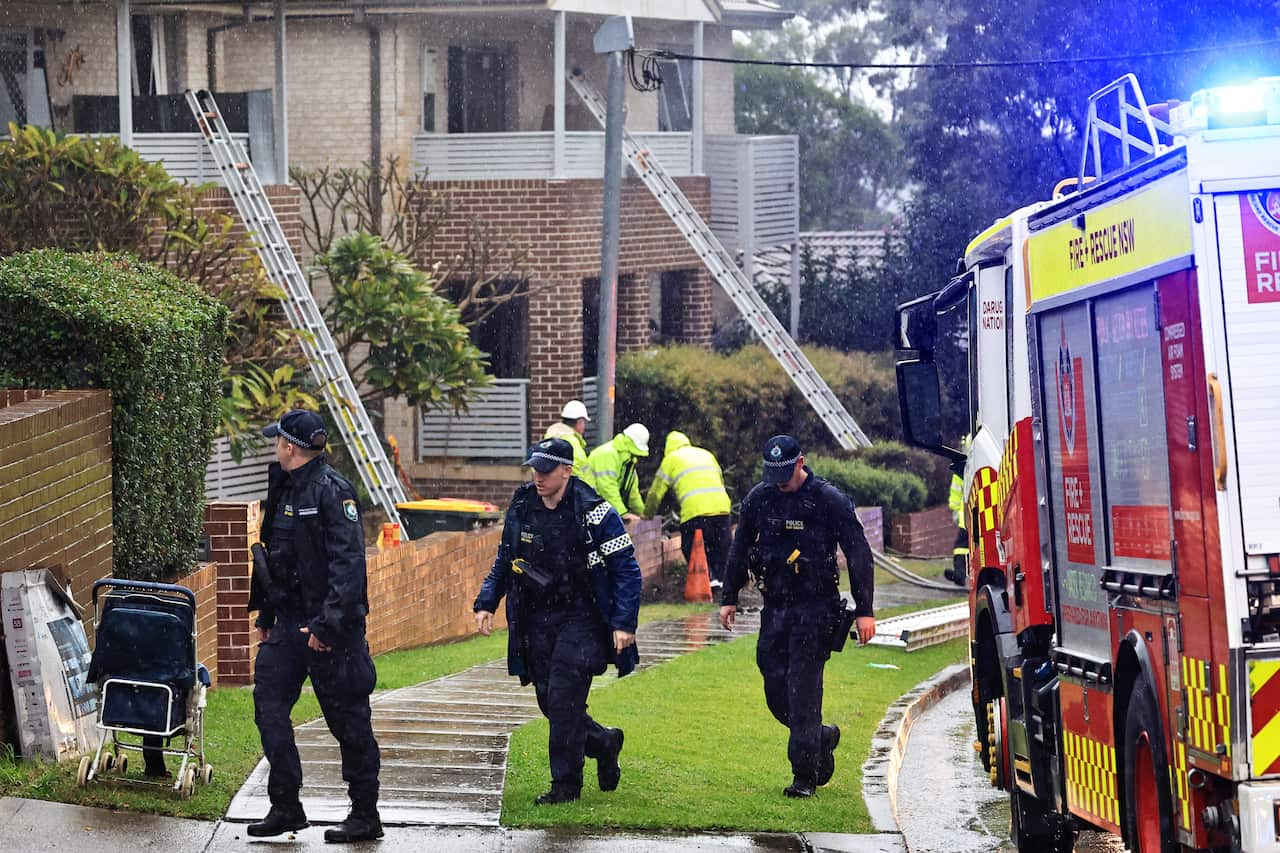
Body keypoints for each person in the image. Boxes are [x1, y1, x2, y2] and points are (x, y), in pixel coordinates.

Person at [473, 437, 642, 805]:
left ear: (567, 470)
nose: (539, 476)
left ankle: (565, 786)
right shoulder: (522, 505)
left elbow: (626, 570)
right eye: (535, 468)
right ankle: (603, 741)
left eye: (547, 470)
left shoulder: (595, 512)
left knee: (564, 696)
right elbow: (506, 558)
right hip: (536, 618)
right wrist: (487, 601)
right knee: (550, 700)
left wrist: (624, 623)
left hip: (583, 617)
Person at [246, 409, 383, 843]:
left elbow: (349, 565)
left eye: (278, 442)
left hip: (331, 632)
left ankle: (365, 814)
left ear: (290, 446)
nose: (275, 448)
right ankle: (286, 805)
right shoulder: (283, 487)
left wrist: (327, 626)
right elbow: (274, 556)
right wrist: (266, 616)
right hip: (288, 624)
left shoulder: (332, 491)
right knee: (268, 704)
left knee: (349, 722)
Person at [719, 435, 875, 799]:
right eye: (774, 474)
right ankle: (821, 736)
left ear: (801, 462)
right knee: (775, 689)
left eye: (786, 474)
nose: (780, 481)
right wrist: (729, 597)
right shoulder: (761, 497)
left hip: (815, 609)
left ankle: (804, 775)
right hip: (775, 607)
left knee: (803, 691)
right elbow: (739, 547)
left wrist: (865, 611)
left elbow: (859, 554)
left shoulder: (828, 500)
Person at [642, 431, 733, 592]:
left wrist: (647, 514)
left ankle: (707, 582)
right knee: (720, 548)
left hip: (695, 513)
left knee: (691, 548)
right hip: (722, 509)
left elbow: (656, 492)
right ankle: (721, 584)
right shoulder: (706, 454)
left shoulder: (671, 459)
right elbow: (719, 479)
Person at [580, 423, 649, 523]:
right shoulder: (607, 454)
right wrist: (622, 513)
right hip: (591, 509)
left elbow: (633, 493)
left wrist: (642, 513)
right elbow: (607, 488)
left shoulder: (628, 461)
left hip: (601, 509)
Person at [543, 399, 591, 471]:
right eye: (583, 422)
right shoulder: (573, 446)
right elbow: (582, 475)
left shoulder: (547, 441)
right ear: (579, 422)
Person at [944, 471, 969, 586]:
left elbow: (955, 495)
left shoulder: (961, 469)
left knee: (961, 547)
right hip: (988, 516)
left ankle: (960, 574)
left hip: (968, 518)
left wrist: (955, 510)